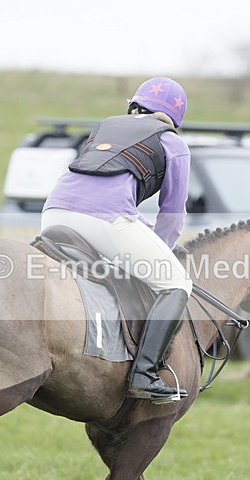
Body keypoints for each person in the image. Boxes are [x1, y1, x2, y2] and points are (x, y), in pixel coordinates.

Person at [42, 77, 192, 402]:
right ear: (175, 117)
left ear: (134, 105)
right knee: (176, 284)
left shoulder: (105, 127)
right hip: (105, 220)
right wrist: (162, 253)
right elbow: (172, 213)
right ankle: (145, 374)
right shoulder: (173, 143)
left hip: (53, 212)